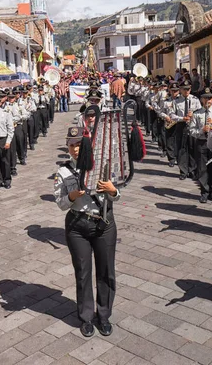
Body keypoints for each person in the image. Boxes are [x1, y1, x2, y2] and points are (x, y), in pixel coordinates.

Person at [53, 126, 119, 338]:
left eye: (79, 144)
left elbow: (117, 194)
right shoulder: (63, 172)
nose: (75, 149)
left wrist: (113, 191)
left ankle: (104, 315)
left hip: (103, 223)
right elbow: (60, 203)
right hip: (77, 226)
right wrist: (71, 196)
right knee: (83, 273)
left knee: (106, 271)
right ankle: (86, 317)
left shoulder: (102, 165)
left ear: (87, 145)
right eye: (71, 145)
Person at [190, 89, 212, 203]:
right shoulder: (197, 113)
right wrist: (201, 130)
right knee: (202, 168)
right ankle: (204, 191)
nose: (207, 100)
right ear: (201, 99)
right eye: (205, 98)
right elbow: (191, 130)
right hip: (202, 142)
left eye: (210, 98)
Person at [175, 81, 202, 180]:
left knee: (192, 148)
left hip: (192, 125)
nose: (187, 91)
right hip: (181, 126)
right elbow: (172, 115)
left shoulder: (195, 99)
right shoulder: (176, 101)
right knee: (182, 148)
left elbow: (200, 112)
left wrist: (193, 116)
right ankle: (183, 171)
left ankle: (192, 170)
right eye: (184, 89)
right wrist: (182, 118)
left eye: (188, 89)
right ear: (180, 89)